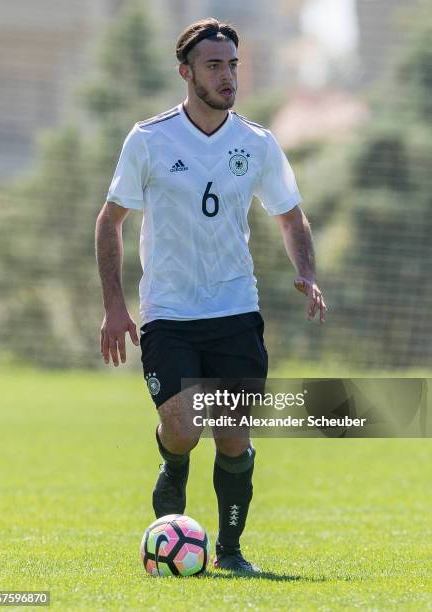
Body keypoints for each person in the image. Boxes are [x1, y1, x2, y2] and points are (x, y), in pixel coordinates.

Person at [95, 17, 327, 575]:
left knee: (232, 437)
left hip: (234, 310)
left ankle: (229, 553)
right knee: (182, 430)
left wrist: (308, 272)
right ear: (186, 72)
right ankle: (173, 471)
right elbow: (110, 222)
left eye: (233, 66)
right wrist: (114, 306)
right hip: (169, 313)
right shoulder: (148, 139)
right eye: (214, 66)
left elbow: (291, 216)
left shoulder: (256, 143)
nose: (228, 77)